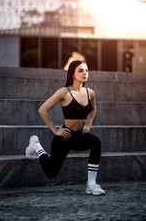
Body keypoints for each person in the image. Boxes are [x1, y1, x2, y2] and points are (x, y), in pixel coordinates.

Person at [25, 60, 105, 195]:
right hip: (65, 137)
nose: (85, 73)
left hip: (80, 135)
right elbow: (43, 109)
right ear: (72, 74)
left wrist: (89, 124)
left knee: (96, 142)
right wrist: (55, 130)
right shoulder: (64, 92)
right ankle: (36, 145)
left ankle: (91, 184)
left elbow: (93, 109)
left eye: (86, 70)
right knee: (51, 173)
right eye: (80, 70)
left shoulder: (90, 92)